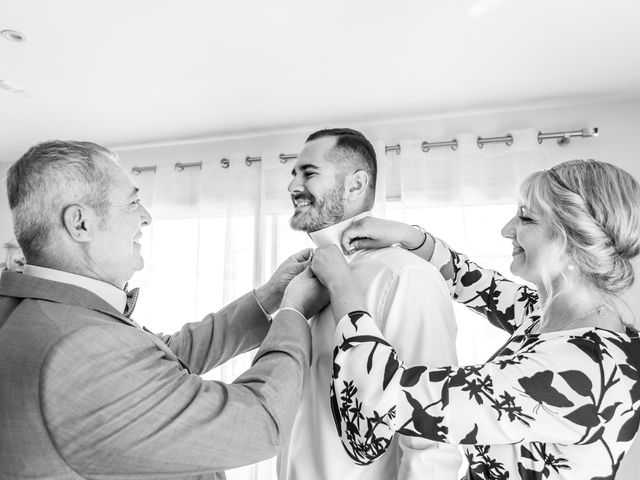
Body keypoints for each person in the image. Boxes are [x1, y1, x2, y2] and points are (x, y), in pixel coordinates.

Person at [0, 140, 328, 479]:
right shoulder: (78, 350)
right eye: (133, 202)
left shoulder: (39, 313)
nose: (146, 217)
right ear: (80, 223)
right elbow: (260, 423)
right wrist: (294, 312)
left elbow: (165, 358)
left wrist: (270, 296)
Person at [310, 159, 640, 480]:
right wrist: (413, 238)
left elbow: (383, 398)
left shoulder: (577, 369)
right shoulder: (561, 315)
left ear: (572, 241)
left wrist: (342, 286)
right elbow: (484, 288)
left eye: (525, 219)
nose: (506, 229)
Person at [278, 128, 461, 480]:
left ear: (355, 184)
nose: (292, 186)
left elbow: (433, 440)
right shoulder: (301, 283)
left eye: (309, 173)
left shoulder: (406, 276)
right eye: (293, 174)